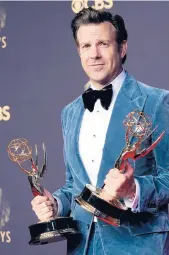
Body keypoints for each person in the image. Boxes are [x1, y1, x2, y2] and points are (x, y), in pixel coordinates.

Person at [31, 7, 169, 255]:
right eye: (86, 46)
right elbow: (76, 184)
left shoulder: (157, 102)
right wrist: (56, 204)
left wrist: (133, 190)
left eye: (103, 44)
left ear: (122, 48)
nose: (94, 54)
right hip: (82, 245)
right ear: (79, 51)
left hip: (138, 245)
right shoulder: (70, 112)